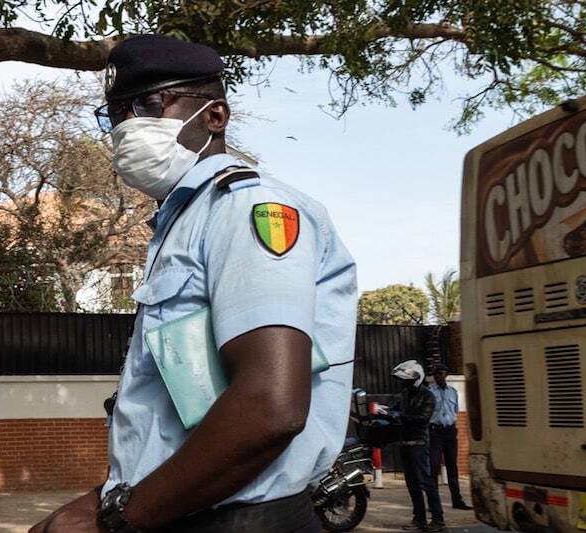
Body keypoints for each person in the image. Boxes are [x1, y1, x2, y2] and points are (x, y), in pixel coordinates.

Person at [31, 34, 357, 533]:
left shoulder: (249, 210)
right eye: (116, 113)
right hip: (180, 509)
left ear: (215, 116)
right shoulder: (183, 221)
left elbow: (270, 406)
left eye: (149, 104)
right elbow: (179, 407)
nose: (127, 125)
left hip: (240, 520)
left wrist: (115, 520)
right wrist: (104, 497)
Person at [386, 360, 445, 532]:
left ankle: (438, 518)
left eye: (408, 380)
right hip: (404, 442)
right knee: (412, 484)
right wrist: (387, 413)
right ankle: (419, 518)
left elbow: (422, 419)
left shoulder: (427, 396)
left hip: (419, 444)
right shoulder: (404, 394)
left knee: (426, 482)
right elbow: (394, 410)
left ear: (417, 378)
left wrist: (401, 416)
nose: (405, 383)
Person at [428, 363, 472, 510]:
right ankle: (433, 502)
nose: (438, 376)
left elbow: (455, 412)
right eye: (436, 374)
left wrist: (455, 429)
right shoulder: (429, 392)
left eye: (441, 373)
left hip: (450, 431)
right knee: (433, 467)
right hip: (435, 432)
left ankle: (457, 500)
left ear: (446, 374)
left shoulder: (453, 392)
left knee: (452, 466)